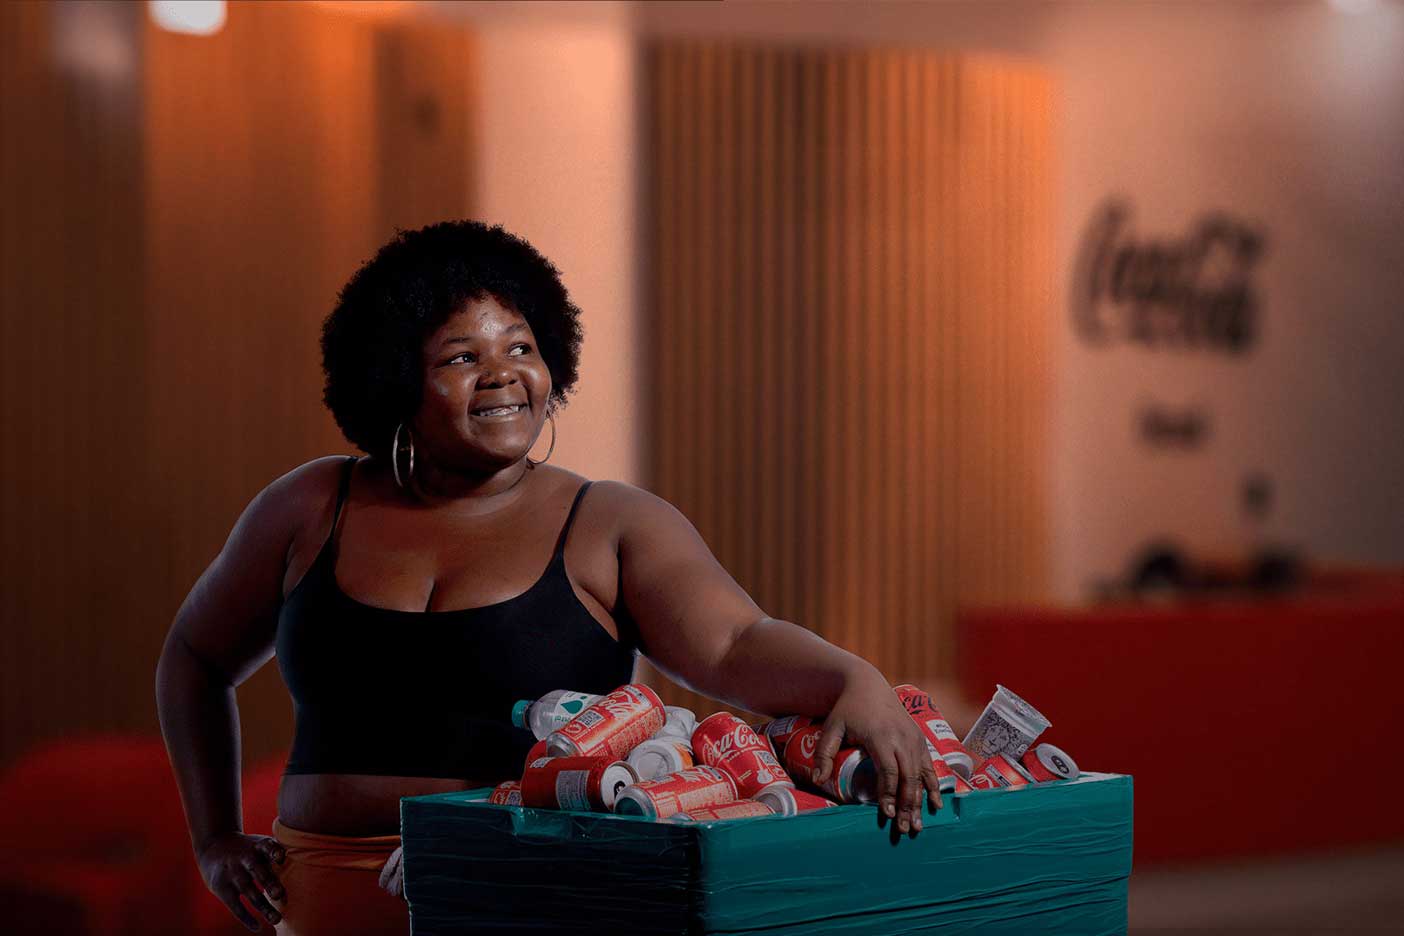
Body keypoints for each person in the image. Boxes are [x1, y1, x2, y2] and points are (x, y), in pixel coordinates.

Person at [155, 221, 942, 935]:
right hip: (324, 899)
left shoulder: (611, 522)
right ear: (395, 380)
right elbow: (193, 658)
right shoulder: (309, 506)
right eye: (462, 357)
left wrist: (853, 678)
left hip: (530, 892)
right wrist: (215, 838)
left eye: (521, 348)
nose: (502, 376)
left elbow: (737, 644)